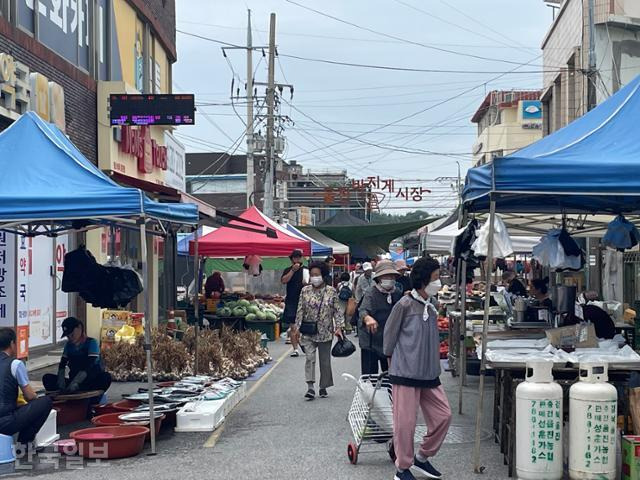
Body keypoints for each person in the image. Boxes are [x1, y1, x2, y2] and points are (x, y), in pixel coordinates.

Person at [384, 257, 452, 480]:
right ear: (423, 280)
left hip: (429, 373)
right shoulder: (404, 304)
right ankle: (402, 468)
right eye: (435, 277)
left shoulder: (431, 306)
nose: (438, 281)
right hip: (405, 373)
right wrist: (392, 365)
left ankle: (422, 457)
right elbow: (389, 338)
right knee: (405, 424)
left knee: (444, 416)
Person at [294, 261, 344, 400]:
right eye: (312, 275)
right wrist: (296, 328)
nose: (314, 277)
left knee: (324, 361)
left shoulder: (331, 291)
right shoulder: (305, 291)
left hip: (325, 331)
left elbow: (337, 311)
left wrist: (339, 327)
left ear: (323, 275)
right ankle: (310, 387)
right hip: (308, 330)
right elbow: (300, 310)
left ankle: (323, 386)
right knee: (309, 358)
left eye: (317, 274)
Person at [0, 328, 53, 450]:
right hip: (5, 423)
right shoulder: (15, 364)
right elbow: (29, 396)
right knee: (45, 402)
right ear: (12, 344)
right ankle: (24, 444)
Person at [43, 317, 112, 396]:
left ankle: (88, 395)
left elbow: (89, 365)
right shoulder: (68, 346)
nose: (70, 338)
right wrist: (60, 382)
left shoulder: (92, 343)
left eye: (72, 334)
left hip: (90, 381)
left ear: (79, 328)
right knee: (47, 378)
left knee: (106, 377)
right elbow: (62, 364)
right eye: (68, 336)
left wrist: (76, 382)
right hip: (72, 383)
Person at [359, 260, 403, 375]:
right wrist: (367, 318)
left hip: (389, 339)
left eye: (392, 276)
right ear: (379, 278)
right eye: (386, 276)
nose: (390, 278)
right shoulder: (371, 292)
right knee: (370, 376)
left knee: (390, 375)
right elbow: (363, 310)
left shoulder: (397, 293)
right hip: (371, 339)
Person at [281, 250, 309, 357]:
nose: (297, 259)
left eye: (298, 257)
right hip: (291, 301)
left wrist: (307, 283)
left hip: (304, 301)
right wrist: (292, 271)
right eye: (295, 257)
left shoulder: (305, 270)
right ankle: (295, 349)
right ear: (292, 259)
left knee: (302, 327)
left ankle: (301, 340)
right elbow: (284, 281)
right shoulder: (288, 270)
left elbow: (310, 283)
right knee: (293, 327)